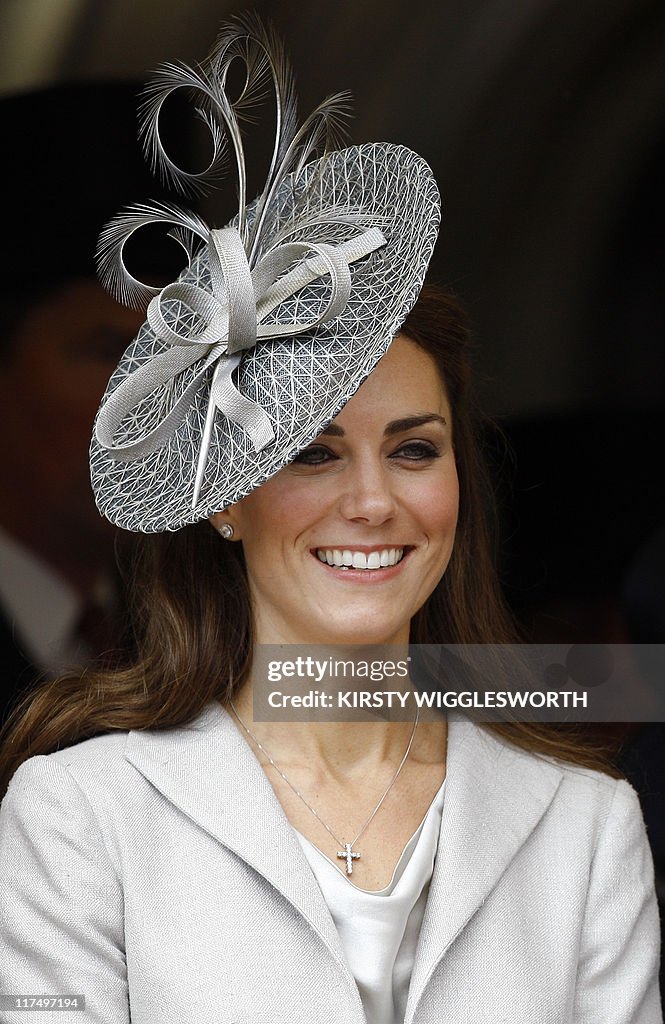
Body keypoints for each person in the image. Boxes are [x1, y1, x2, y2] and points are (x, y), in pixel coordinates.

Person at [0, 16, 661, 1024]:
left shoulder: (583, 820)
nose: (371, 499)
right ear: (224, 498)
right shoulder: (81, 813)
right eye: (309, 451)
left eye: (412, 448)